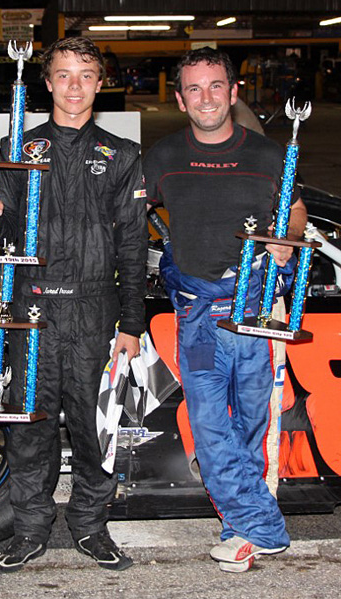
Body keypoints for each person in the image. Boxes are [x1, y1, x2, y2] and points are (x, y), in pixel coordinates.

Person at [0, 37, 147, 574]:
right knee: (30, 429)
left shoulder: (122, 154)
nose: (74, 86)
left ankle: (91, 526)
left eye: (86, 75)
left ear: (100, 84)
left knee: (97, 429)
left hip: (95, 311)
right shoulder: (18, 148)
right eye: (64, 74)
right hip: (32, 310)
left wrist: (131, 322)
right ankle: (29, 530)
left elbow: (133, 245)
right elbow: (0, 232)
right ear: (46, 83)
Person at [143, 47, 308, 573]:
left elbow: (296, 212)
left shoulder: (268, 155)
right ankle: (264, 529)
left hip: (256, 313)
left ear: (234, 93)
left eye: (216, 86)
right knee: (212, 429)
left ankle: (241, 531)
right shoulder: (164, 156)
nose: (206, 97)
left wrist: (287, 238)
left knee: (251, 429)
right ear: (180, 100)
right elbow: (122, 213)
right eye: (194, 88)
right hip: (197, 318)